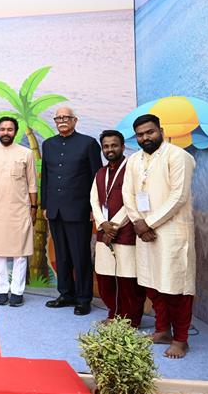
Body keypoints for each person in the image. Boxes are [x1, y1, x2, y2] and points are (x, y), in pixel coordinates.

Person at [122, 114, 196, 358]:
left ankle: (181, 340)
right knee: (152, 284)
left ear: (161, 131)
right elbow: (128, 194)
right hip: (144, 231)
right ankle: (162, 330)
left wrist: (148, 223)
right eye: (140, 134)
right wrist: (138, 222)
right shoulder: (134, 160)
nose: (145, 137)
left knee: (175, 286)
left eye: (150, 132)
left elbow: (179, 196)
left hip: (172, 231)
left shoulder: (178, 156)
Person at [41, 106, 102, 315]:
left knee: (80, 255)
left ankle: (84, 298)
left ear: (75, 120)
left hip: (79, 209)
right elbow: (46, 177)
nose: (62, 121)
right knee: (62, 255)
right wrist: (45, 205)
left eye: (66, 117)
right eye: (58, 118)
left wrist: (94, 208)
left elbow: (96, 178)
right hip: (55, 210)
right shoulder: (48, 144)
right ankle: (66, 294)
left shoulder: (88, 143)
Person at [0, 117, 37, 307]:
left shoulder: (26, 153)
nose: (6, 132)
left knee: (20, 253)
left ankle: (18, 291)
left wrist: (34, 208)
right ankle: (2, 290)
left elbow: (32, 184)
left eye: (10, 129)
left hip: (21, 210)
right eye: (2, 129)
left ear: (16, 132)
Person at [89, 130, 145, 327]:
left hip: (126, 232)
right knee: (105, 277)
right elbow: (94, 201)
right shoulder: (100, 173)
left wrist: (114, 226)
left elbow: (133, 201)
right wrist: (103, 224)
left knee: (128, 278)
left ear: (122, 147)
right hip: (104, 232)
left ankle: (131, 319)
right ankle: (113, 314)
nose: (110, 149)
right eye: (106, 146)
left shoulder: (132, 170)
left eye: (114, 145)